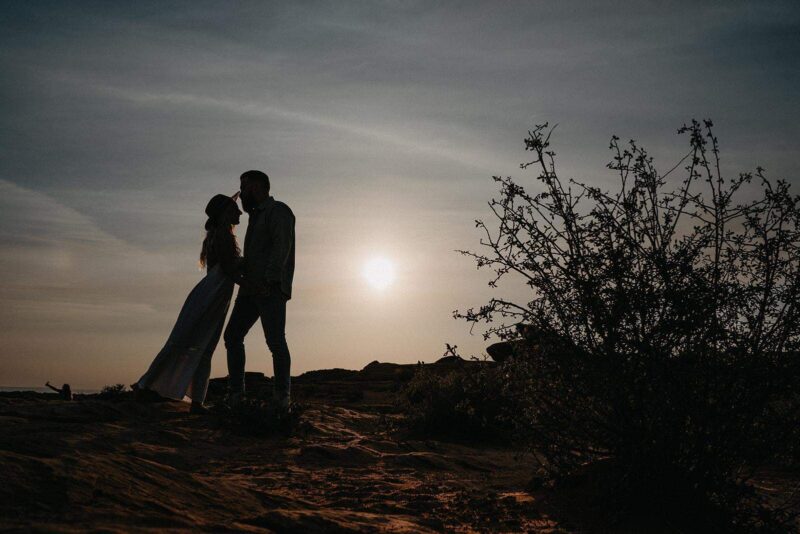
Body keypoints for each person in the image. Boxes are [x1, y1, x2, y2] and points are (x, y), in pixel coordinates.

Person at [135, 193, 243, 414]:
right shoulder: (223, 235)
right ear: (225, 213)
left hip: (213, 294)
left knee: (195, 343)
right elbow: (230, 269)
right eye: (234, 209)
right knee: (196, 343)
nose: (240, 212)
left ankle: (181, 395)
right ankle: (155, 388)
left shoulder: (219, 234)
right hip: (212, 294)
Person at [224, 170, 295, 414]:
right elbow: (258, 255)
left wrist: (270, 280)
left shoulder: (279, 212)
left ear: (255, 187)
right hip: (250, 289)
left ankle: (282, 397)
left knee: (275, 341)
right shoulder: (255, 217)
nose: (241, 194)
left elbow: (281, 247)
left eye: (243, 188)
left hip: (270, 288)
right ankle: (236, 395)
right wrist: (237, 264)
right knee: (233, 335)